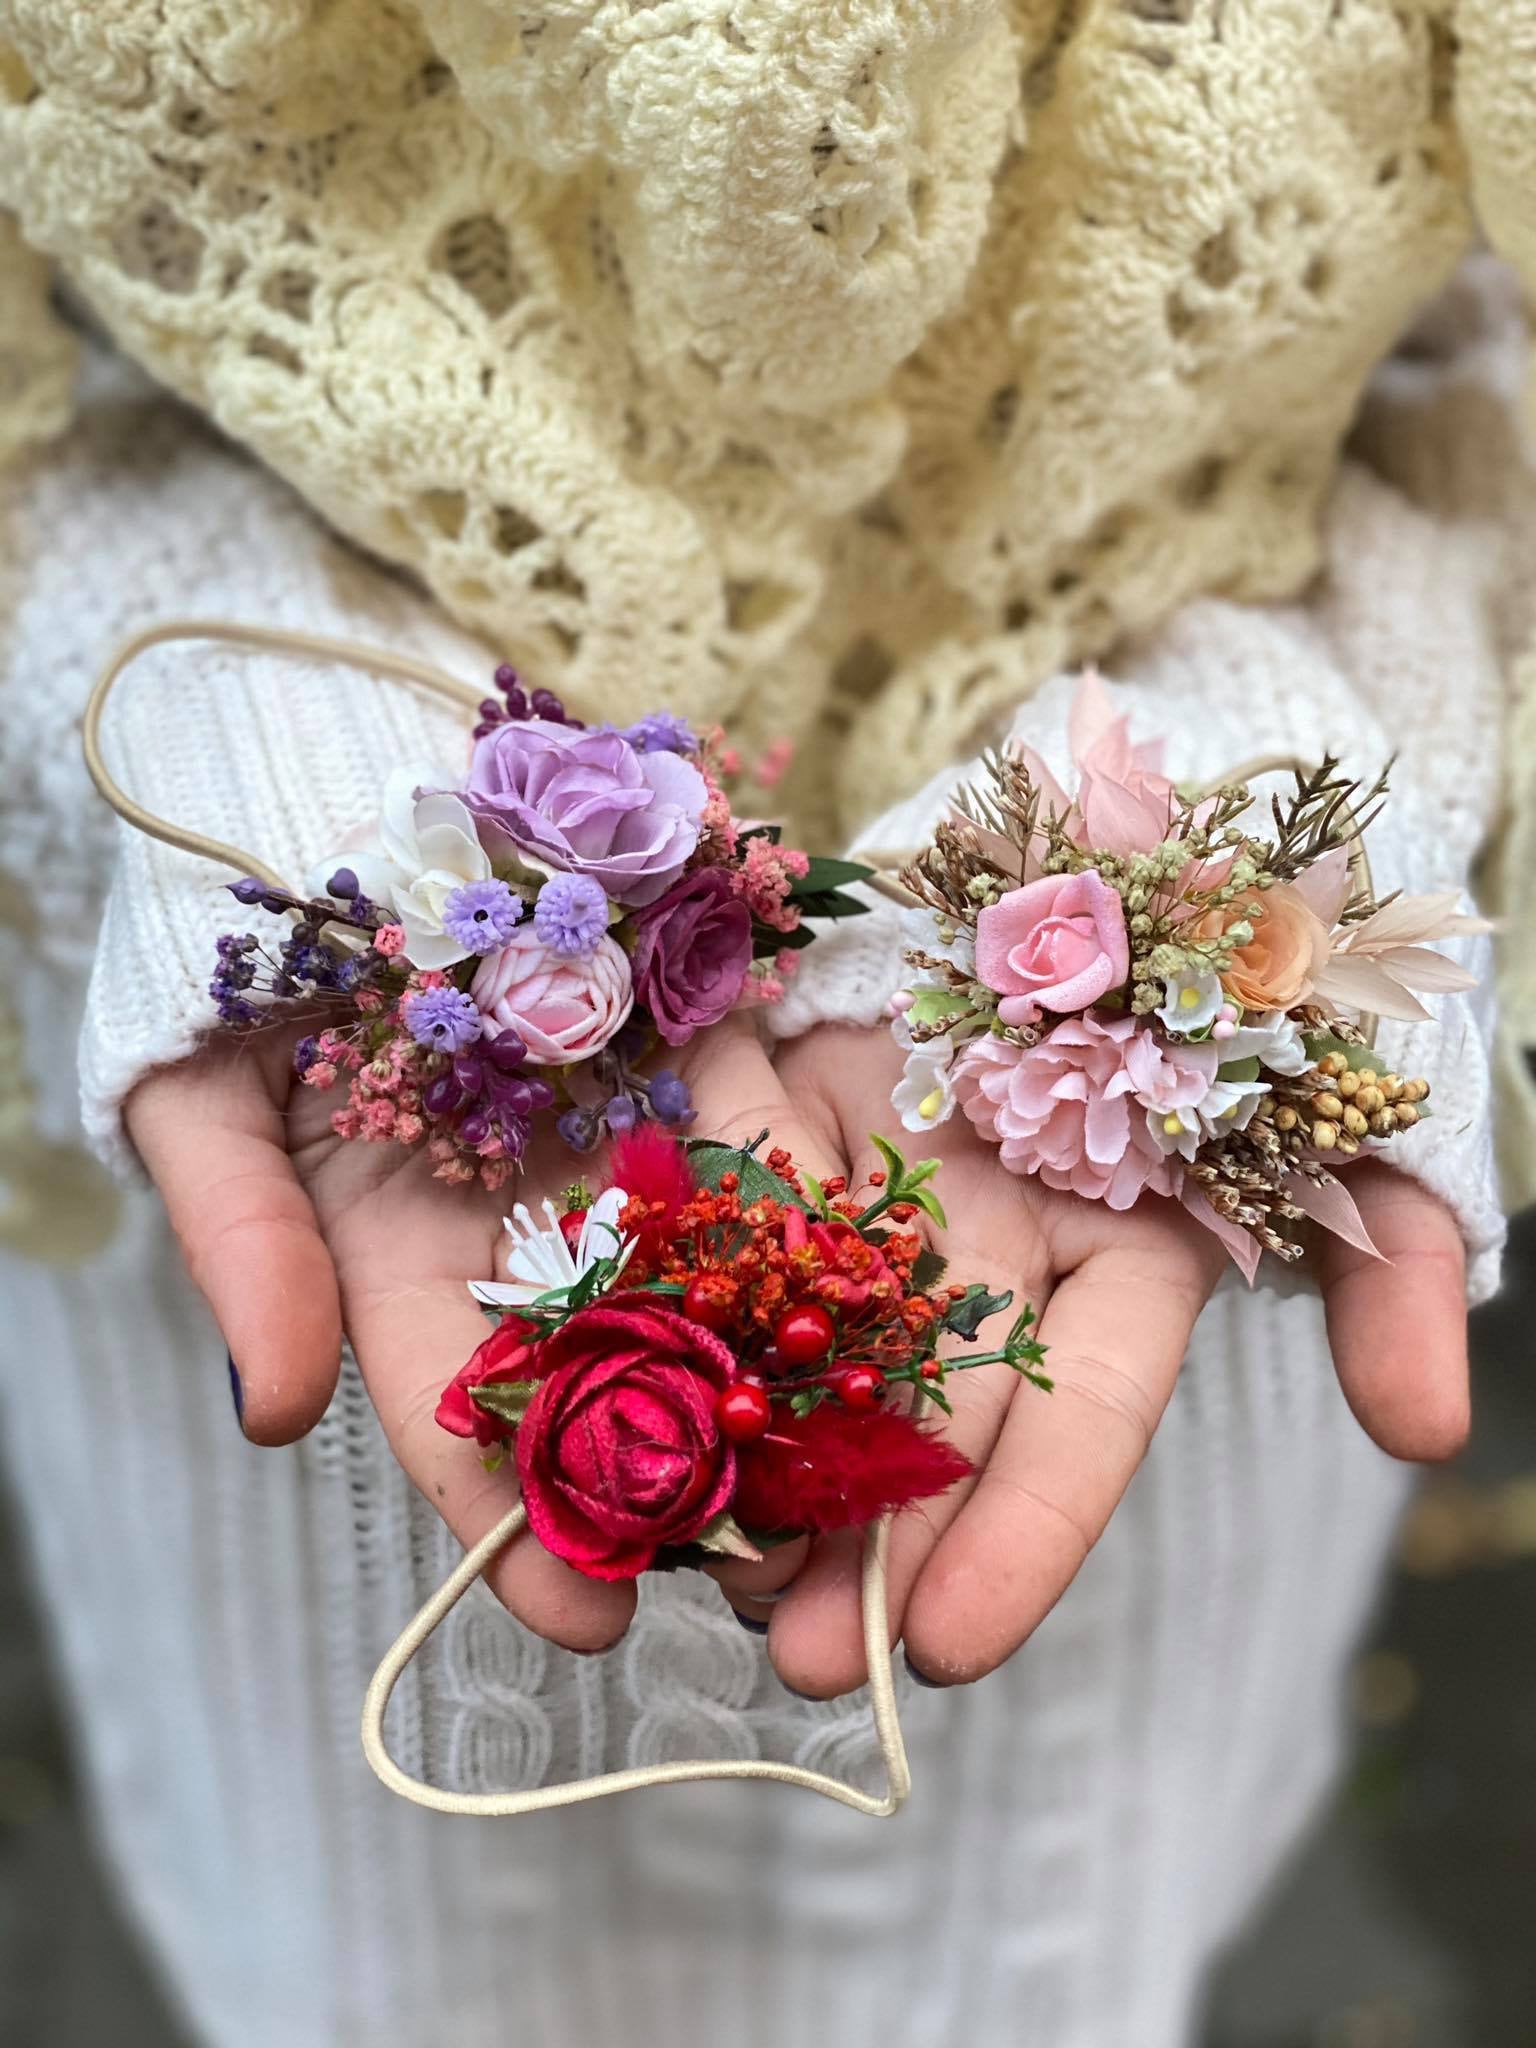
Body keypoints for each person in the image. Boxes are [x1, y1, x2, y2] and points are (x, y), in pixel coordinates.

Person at [0, 7, 1528, 2044]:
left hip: (1114, 1268)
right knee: (362, 1945)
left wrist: (1297, 753)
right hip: (340, 1186)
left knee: (1030, 1929)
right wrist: (222, 712)